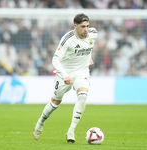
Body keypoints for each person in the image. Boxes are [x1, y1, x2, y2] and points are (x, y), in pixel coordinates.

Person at [33, 13, 98, 143]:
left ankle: (71, 131)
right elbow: (55, 59)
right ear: (75, 26)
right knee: (54, 103)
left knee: (83, 95)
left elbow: (88, 45)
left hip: (82, 72)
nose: (86, 29)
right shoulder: (67, 39)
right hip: (65, 73)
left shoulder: (93, 33)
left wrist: (88, 57)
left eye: (87, 26)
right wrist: (65, 75)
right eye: (82, 27)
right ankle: (40, 122)